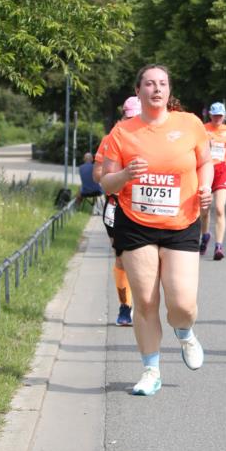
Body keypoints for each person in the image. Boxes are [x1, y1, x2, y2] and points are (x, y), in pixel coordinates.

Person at [100, 64, 213, 395]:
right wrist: (125, 176)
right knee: (146, 302)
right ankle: (151, 370)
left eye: (162, 83)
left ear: (169, 90)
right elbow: (107, 180)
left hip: (181, 223)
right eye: (149, 84)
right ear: (139, 91)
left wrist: (205, 187)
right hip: (136, 224)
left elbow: (206, 162)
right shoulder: (122, 133)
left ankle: (185, 332)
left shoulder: (189, 124)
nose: (156, 89)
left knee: (182, 304)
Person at [94, 96, 142, 327]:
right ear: (122, 116)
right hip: (116, 206)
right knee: (122, 258)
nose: (131, 121)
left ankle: (145, 303)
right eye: (128, 117)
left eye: (136, 117)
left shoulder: (154, 139)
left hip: (146, 208)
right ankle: (125, 306)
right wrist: (118, 174)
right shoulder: (111, 138)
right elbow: (97, 175)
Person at [199, 102, 226, 260]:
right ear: (210, 115)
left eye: (220, 115)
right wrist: (206, 145)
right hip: (206, 170)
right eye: (215, 115)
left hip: (221, 169)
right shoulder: (203, 128)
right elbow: (196, 147)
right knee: (204, 210)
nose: (217, 118)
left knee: (220, 209)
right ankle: (205, 235)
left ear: (224, 116)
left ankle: (218, 246)